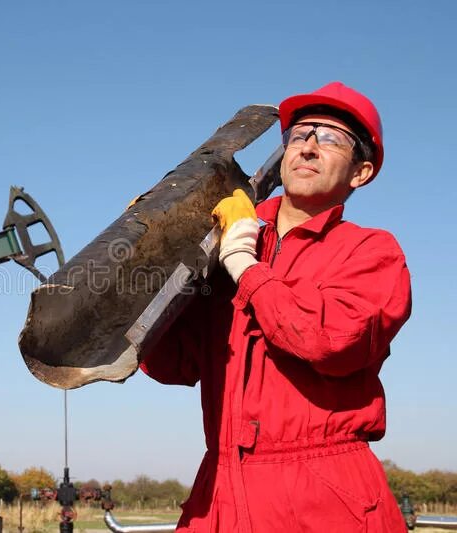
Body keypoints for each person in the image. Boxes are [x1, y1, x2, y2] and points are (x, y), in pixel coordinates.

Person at [139, 81, 412, 532]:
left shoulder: (371, 252)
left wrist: (246, 269)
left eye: (329, 138)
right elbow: (177, 364)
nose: (307, 148)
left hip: (324, 497)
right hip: (220, 490)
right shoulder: (222, 240)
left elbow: (331, 341)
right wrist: (150, 269)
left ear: (360, 172)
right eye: (300, 135)